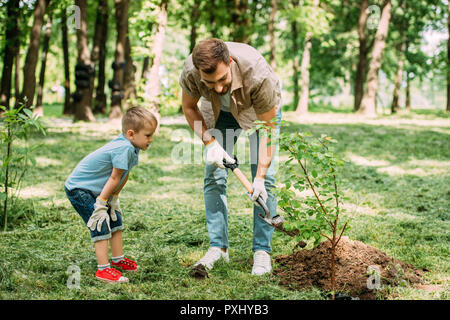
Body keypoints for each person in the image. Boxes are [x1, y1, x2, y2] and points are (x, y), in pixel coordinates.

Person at [179, 38, 282, 275]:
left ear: (231, 62)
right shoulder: (191, 72)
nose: (217, 87)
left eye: (222, 79)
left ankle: (262, 250)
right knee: (214, 175)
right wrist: (210, 142)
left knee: (265, 180)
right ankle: (218, 248)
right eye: (209, 82)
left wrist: (259, 177)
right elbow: (189, 107)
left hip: (256, 110)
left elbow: (267, 127)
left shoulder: (258, 74)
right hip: (219, 112)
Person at [65, 107, 158, 283]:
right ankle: (103, 270)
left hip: (98, 190)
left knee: (116, 219)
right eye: (148, 135)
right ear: (131, 134)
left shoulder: (132, 147)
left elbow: (124, 174)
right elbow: (114, 177)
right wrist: (101, 204)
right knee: (100, 223)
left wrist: (113, 199)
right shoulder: (124, 148)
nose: (151, 139)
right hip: (79, 189)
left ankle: (117, 259)